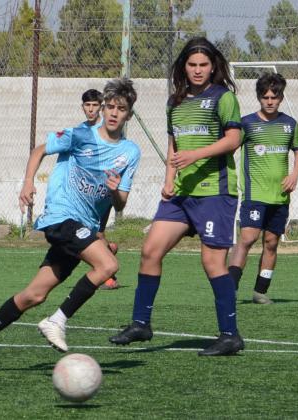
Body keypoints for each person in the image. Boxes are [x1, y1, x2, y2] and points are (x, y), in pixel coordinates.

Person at [0, 78, 141, 373]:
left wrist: (114, 188)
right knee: (107, 265)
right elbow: (38, 151)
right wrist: (28, 182)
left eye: (120, 109)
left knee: (35, 294)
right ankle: (56, 320)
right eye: (109, 106)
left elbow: (120, 203)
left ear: (128, 115)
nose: (112, 113)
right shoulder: (80, 135)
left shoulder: (130, 152)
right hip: (61, 217)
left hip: (82, 226)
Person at [109, 37, 245, 356]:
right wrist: (168, 179)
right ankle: (141, 324)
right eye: (192, 64)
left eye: (204, 65)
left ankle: (230, 335)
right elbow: (173, 143)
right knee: (150, 250)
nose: (198, 71)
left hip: (216, 191)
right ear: (183, 66)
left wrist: (196, 155)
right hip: (180, 194)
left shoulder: (223, 98)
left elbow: (234, 138)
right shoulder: (175, 101)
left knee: (212, 262)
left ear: (213, 68)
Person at [228, 73, 298, 304]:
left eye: (274, 96)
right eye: (265, 96)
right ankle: (229, 289)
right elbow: (229, 147)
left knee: (271, 242)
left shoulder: (290, 124)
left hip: (280, 197)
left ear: (281, 98)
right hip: (255, 195)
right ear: (259, 98)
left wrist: (294, 175)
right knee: (247, 238)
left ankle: (260, 291)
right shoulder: (247, 123)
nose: (270, 101)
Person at [79, 88, 122, 290]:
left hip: (102, 191)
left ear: (101, 108)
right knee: (92, 235)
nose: (91, 109)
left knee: (96, 234)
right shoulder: (80, 131)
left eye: (95, 105)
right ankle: (108, 252)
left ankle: (108, 275)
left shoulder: (107, 131)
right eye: (87, 105)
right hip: (84, 193)